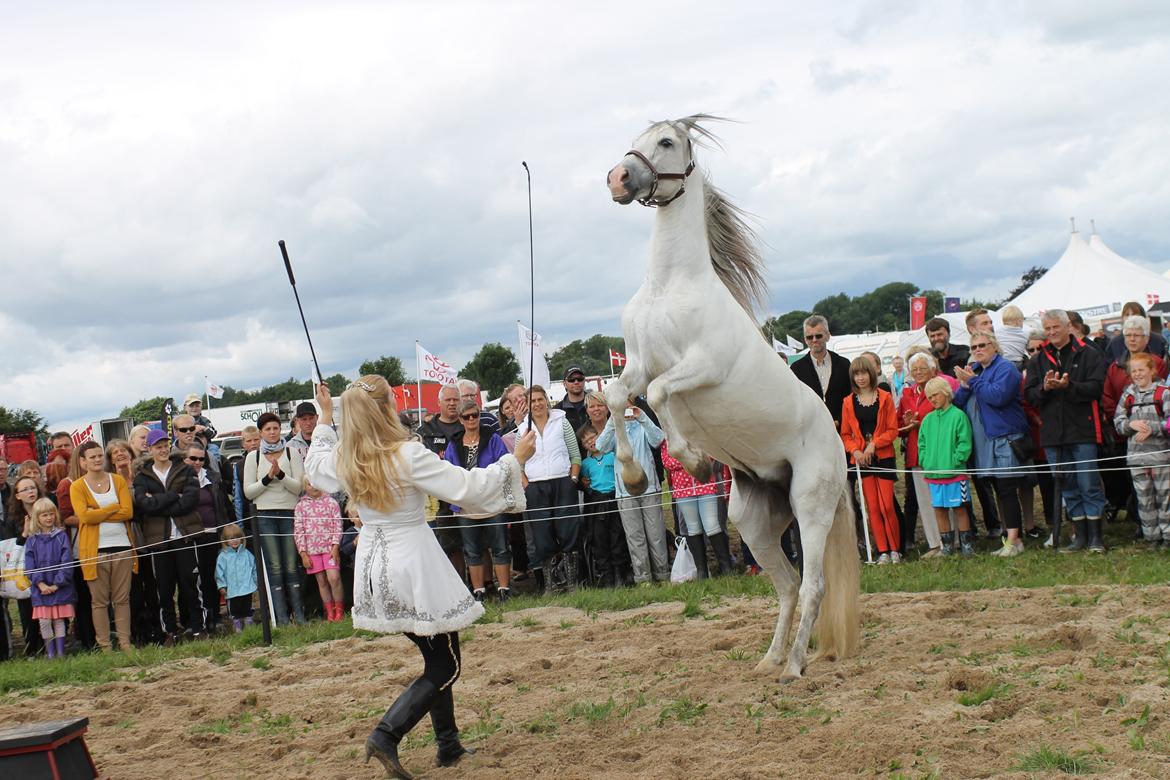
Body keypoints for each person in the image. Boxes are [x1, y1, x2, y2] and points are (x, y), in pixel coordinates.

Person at [303, 377, 535, 777]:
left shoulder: (346, 456)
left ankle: (448, 745)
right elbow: (465, 486)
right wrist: (516, 460)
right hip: (413, 563)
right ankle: (386, 734)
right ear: (383, 409)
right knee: (446, 665)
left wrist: (325, 418)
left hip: (376, 564)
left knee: (437, 652)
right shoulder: (405, 455)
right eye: (392, 401)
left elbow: (315, 464)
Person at [1024, 309, 1107, 553]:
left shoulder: (1089, 354)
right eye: (1047, 329)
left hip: (1083, 430)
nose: (1051, 333)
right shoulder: (1038, 360)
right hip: (1053, 433)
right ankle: (1079, 536)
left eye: (1055, 328)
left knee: (1088, 483)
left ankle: (1096, 538)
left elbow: (1096, 388)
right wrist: (1045, 388)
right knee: (1067, 485)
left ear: (1067, 326)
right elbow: (1029, 396)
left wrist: (1069, 386)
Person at [954, 331, 1030, 557]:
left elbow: (998, 397)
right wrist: (965, 386)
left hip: (1005, 439)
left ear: (994, 346)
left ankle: (1015, 541)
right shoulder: (976, 371)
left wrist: (973, 382)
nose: (978, 349)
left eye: (982, 345)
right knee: (999, 489)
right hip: (985, 442)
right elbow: (958, 403)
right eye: (974, 346)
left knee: (1007, 489)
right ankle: (1010, 537)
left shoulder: (1006, 369)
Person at [134, 428, 207, 643]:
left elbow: (191, 500)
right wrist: (174, 495)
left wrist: (159, 502)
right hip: (160, 540)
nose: (163, 449)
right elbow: (144, 505)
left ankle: (198, 627)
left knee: (191, 585)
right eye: (158, 446)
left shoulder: (184, 470)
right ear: (150, 449)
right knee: (164, 590)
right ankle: (170, 631)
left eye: (165, 445)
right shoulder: (142, 477)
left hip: (184, 535)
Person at [443, 401, 513, 603]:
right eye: (467, 417)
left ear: (479, 416)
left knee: (500, 546)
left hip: (492, 501)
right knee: (472, 550)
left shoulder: (493, 439)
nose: (472, 419)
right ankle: (479, 591)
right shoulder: (453, 444)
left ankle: (504, 589)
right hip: (466, 505)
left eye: (475, 415)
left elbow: (504, 463)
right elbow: (449, 471)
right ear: (460, 420)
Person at [515, 385, 583, 591]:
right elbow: (518, 464)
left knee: (568, 530)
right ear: (527, 405)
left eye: (539, 399)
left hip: (563, 482)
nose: (537, 404)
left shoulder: (562, 422)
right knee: (542, 535)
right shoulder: (523, 430)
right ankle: (551, 585)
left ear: (547, 400)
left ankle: (572, 583)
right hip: (535, 486)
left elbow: (575, 454)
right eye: (532, 401)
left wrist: (572, 478)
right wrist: (527, 487)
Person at [70, 440, 137, 651]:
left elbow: (128, 512)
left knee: (122, 599)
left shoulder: (117, 480)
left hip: (123, 547)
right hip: (94, 551)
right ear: (83, 462)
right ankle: (105, 645)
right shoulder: (77, 486)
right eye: (92, 457)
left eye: (100, 455)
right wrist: (112, 508)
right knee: (99, 602)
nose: (97, 459)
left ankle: (125, 643)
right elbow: (84, 517)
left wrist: (97, 511)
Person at [597, 399, 669, 585]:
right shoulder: (614, 429)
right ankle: (643, 578)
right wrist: (612, 422)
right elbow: (601, 447)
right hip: (625, 492)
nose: (625, 408)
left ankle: (662, 574)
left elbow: (658, 439)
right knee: (635, 537)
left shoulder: (642, 425)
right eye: (620, 405)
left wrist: (642, 417)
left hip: (649, 487)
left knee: (656, 534)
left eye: (628, 404)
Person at [244, 412, 305, 625]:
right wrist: (267, 478)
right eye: (268, 429)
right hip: (265, 515)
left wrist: (280, 475)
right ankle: (281, 619)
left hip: (289, 513)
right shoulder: (254, 457)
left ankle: (300, 615)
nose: (272, 432)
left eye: (275, 428)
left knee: (290, 564)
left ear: (281, 430)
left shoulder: (292, 453)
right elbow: (249, 492)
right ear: (261, 432)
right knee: (275, 567)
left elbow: (298, 487)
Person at [840, 356, 901, 563]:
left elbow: (893, 430)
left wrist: (874, 444)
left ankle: (895, 549)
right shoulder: (848, 402)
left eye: (864, 373)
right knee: (872, 507)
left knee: (887, 506)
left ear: (871, 374)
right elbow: (845, 434)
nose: (861, 378)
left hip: (883, 457)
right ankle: (882, 550)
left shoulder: (884, 397)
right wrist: (856, 451)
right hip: (862, 461)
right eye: (856, 374)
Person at [899, 351, 956, 558]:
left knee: (946, 499)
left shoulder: (939, 389)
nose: (918, 373)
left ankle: (952, 540)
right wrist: (905, 424)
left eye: (922, 369)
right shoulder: (907, 394)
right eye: (914, 370)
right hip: (917, 453)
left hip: (940, 453)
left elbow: (946, 418)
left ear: (932, 369)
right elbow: (898, 423)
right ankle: (934, 543)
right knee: (925, 501)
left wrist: (920, 423)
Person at [1114, 353, 1170, 547]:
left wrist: (1152, 429)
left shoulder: (1164, 393)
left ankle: (1168, 536)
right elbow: (1118, 423)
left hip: (1162, 457)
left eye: (1141, 370)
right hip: (1136, 458)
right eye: (1134, 371)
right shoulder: (1127, 396)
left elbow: (1169, 422)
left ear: (1152, 371)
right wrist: (1132, 425)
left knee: (1165, 498)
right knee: (1144, 500)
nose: (1137, 374)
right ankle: (1152, 537)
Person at [917, 377, 976, 556]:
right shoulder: (927, 420)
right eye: (929, 397)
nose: (933, 399)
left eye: (935, 395)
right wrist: (926, 461)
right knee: (939, 510)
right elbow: (922, 445)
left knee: (960, 508)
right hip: (934, 475)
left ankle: (966, 546)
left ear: (946, 393)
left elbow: (965, 443)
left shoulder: (958, 416)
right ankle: (947, 547)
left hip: (955, 474)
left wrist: (957, 460)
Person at [661, 439, 732, 576]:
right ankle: (701, 570)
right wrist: (693, 460)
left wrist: (683, 459)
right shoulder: (668, 438)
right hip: (683, 490)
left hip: (705, 484)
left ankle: (727, 568)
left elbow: (709, 456)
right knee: (693, 529)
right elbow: (668, 462)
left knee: (712, 525)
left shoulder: (696, 433)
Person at [418, 385, 466, 575]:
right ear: (439, 403)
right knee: (446, 547)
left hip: (465, 490)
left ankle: (479, 587)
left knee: (474, 545)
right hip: (438, 498)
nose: (453, 403)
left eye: (456, 399)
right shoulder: (426, 431)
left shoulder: (468, 423)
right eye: (448, 400)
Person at [578, 424, 630, 587]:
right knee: (600, 540)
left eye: (592, 437)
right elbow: (586, 483)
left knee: (617, 537)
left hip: (614, 498)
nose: (591, 442)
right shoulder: (585, 464)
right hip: (596, 503)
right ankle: (606, 577)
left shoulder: (612, 455)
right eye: (586, 442)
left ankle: (620, 574)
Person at [23, 498, 75, 659]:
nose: (49, 518)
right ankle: (50, 653)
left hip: (59, 587)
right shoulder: (32, 540)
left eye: (51, 514)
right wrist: (40, 583)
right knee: (44, 621)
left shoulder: (61, 536)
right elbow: (29, 565)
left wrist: (57, 584)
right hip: (40, 589)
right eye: (44, 515)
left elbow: (67, 562)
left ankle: (60, 653)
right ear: (36, 518)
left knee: (59, 620)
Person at [185, 443, 228, 631]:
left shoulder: (213, 478)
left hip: (212, 533)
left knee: (211, 577)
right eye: (193, 458)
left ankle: (215, 615)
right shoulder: (179, 480)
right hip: (191, 536)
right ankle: (193, 620)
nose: (197, 462)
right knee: (193, 580)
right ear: (185, 459)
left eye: (201, 459)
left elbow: (221, 505)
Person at [6, 475, 47, 655]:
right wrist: (23, 534)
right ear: (17, 495)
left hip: (47, 564)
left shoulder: (47, 510)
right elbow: (12, 547)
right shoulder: (12, 519)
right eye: (25, 489)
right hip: (25, 569)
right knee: (27, 609)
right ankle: (32, 649)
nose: (31, 491)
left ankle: (52, 646)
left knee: (48, 607)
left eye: (33, 488)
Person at [294, 479, 345, 621]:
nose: (313, 486)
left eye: (316, 482)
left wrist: (335, 546)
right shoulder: (301, 506)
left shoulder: (331, 503)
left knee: (334, 578)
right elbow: (298, 530)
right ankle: (330, 612)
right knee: (321, 581)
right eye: (309, 484)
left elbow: (338, 525)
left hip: (329, 548)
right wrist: (303, 553)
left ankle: (340, 610)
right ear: (305, 487)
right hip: (312, 550)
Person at [790, 314, 852, 429]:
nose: (814, 340)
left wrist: (839, 420)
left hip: (843, 430)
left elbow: (851, 397)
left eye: (818, 336)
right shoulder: (796, 369)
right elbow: (795, 402)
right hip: (811, 432)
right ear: (805, 339)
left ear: (828, 336)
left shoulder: (844, 364)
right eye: (809, 337)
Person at [216, 524, 258, 632]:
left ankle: (249, 624)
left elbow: (254, 567)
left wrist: (255, 581)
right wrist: (221, 585)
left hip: (247, 587)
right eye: (231, 538)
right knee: (235, 610)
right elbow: (219, 573)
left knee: (247, 607)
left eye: (237, 537)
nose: (235, 540)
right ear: (225, 541)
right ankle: (237, 625)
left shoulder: (246, 554)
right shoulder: (223, 556)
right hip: (232, 589)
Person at [232, 425, 261, 526]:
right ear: (243, 443)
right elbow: (237, 497)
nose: (253, 443)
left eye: (256, 439)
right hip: (249, 516)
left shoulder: (270, 459)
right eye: (249, 441)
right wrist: (240, 524)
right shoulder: (239, 466)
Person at [555, 366, 590, 433]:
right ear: (564, 383)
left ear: (584, 381)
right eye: (571, 379)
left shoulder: (597, 404)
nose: (576, 382)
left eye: (580, 379)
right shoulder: (557, 411)